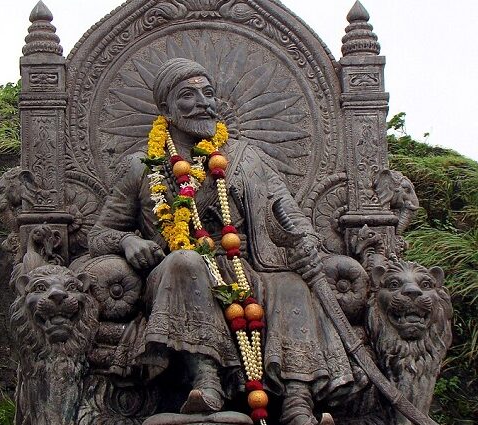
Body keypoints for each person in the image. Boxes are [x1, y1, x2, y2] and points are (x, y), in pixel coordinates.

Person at [89, 58, 364, 425]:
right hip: (177, 272)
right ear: (165, 109)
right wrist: (126, 242)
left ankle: (299, 403)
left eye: (208, 93)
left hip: (247, 266)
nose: (203, 102)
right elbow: (98, 235)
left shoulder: (247, 158)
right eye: (188, 95)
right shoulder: (142, 165)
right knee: (186, 262)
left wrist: (306, 242)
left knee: (292, 285)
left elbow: (289, 213)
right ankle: (206, 381)